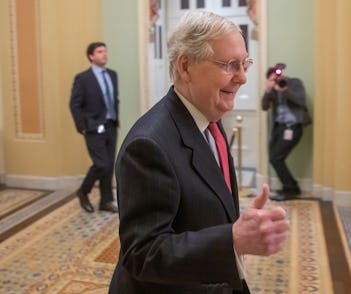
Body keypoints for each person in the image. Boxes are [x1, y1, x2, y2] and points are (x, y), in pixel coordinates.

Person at [109, 11, 289, 294]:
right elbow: (143, 254)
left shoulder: (210, 121)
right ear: (186, 66)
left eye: (244, 63)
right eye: (230, 65)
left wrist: (238, 229)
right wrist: (233, 239)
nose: (242, 77)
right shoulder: (147, 145)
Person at [69, 42, 119, 213]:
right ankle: (83, 191)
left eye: (105, 51)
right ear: (91, 56)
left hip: (111, 126)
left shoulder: (112, 75)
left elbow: (113, 100)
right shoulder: (82, 78)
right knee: (102, 164)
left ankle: (106, 201)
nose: (104, 54)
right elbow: (75, 104)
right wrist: (82, 126)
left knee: (109, 165)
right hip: (93, 128)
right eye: (100, 52)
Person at [262, 64, 311, 201]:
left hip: (293, 128)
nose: (276, 80)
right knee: (274, 157)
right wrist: (268, 90)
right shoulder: (272, 90)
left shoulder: (294, 83)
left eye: (277, 77)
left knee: (276, 158)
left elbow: (301, 102)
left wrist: (284, 90)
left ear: (281, 74)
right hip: (279, 128)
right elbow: (264, 107)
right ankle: (291, 186)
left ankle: (291, 189)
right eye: (272, 79)